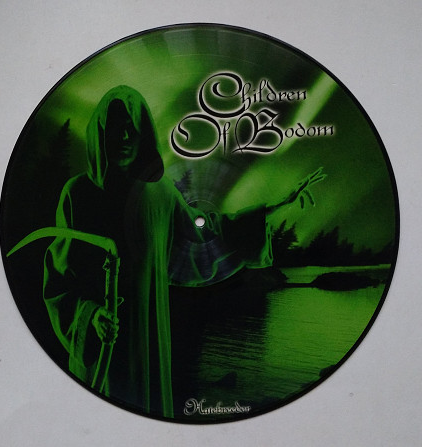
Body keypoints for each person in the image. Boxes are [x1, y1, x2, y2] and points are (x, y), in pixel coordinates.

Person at [42, 85, 324, 419]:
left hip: (150, 338)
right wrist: (91, 316)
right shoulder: (78, 194)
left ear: (143, 133)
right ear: (100, 133)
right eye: (116, 127)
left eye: (132, 128)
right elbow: (59, 282)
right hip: (101, 342)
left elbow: (206, 233)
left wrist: (276, 206)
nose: (125, 137)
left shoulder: (161, 193)